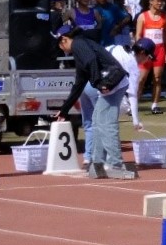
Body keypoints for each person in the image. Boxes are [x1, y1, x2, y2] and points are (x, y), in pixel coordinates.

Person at [52, 24, 130, 172]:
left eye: (59, 44)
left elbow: (91, 59)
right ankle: (98, 162)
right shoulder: (79, 50)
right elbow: (79, 84)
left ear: (64, 39)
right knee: (97, 120)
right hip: (111, 85)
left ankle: (116, 163)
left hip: (114, 83)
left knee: (107, 122)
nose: (60, 48)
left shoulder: (78, 44)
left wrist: (97, 82)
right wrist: (64, 110)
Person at [82, 38, 154, 160]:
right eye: (149, 57)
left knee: (90, 124)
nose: (148, 60)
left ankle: (88, 158)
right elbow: (132, 95)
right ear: (142, 53)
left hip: (86, 84)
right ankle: (107, 160)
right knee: (106, 125)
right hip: (101, 88)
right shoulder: (133, 66)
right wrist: (136, 121)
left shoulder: (117, 47)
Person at [135, 0, 166, 113]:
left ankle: (155, 104)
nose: (160, 3)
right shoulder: (143, 16)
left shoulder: (165, 16)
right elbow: (138, 35)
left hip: (159, 50)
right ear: (151, 1)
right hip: (145, 52)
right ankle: (134, 105)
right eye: (158, 1)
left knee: (157, 78)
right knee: (141, 79)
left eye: (162, 1)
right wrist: (139, 51)